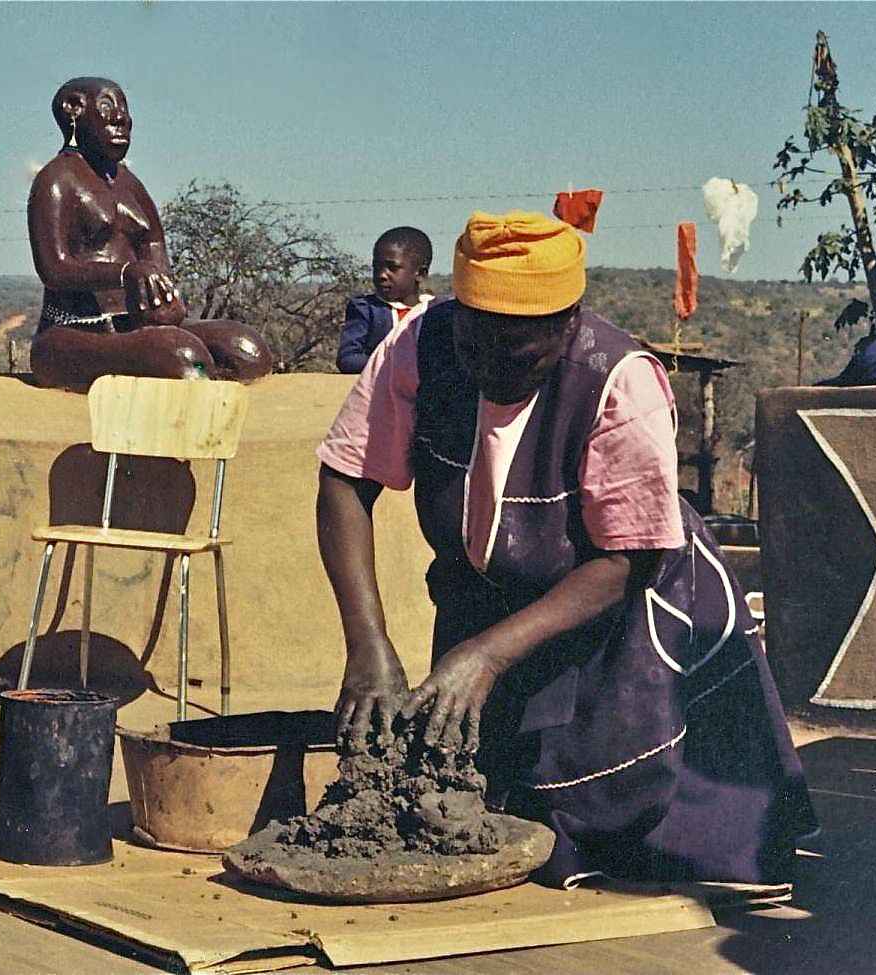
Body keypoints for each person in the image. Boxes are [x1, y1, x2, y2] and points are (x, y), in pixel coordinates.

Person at [316, 212, 815, 888]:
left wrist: (488, 654)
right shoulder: (415, 346)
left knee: (632, 815)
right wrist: (366, 640)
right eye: (474, 347)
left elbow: (626, 558)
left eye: (520, 356)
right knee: (475, 803)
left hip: (623, 596)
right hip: (489, 594)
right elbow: (346, 479)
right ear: (458, 311)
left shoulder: (617, 379)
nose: (491, 371)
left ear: (568, 321)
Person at [27, 76, 273, 391]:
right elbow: (54, 269)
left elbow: (154, 247)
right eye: (107, 106)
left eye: (124, 108)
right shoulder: (56, 180)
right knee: (184, 359)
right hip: (73, 332)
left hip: (138, 325)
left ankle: (200, 377)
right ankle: (194, 391)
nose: (121, 118)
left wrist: (167, 299)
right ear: (72, 109)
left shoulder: (130, 185)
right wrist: (125, 274)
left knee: (248, 351)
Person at [336, 227, 434, 374]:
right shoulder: (368, 310)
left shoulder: (435, 312)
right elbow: (348, 359)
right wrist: (397, 365)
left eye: (392, 268)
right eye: (376, 268)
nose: (382, 275)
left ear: (420, 273)